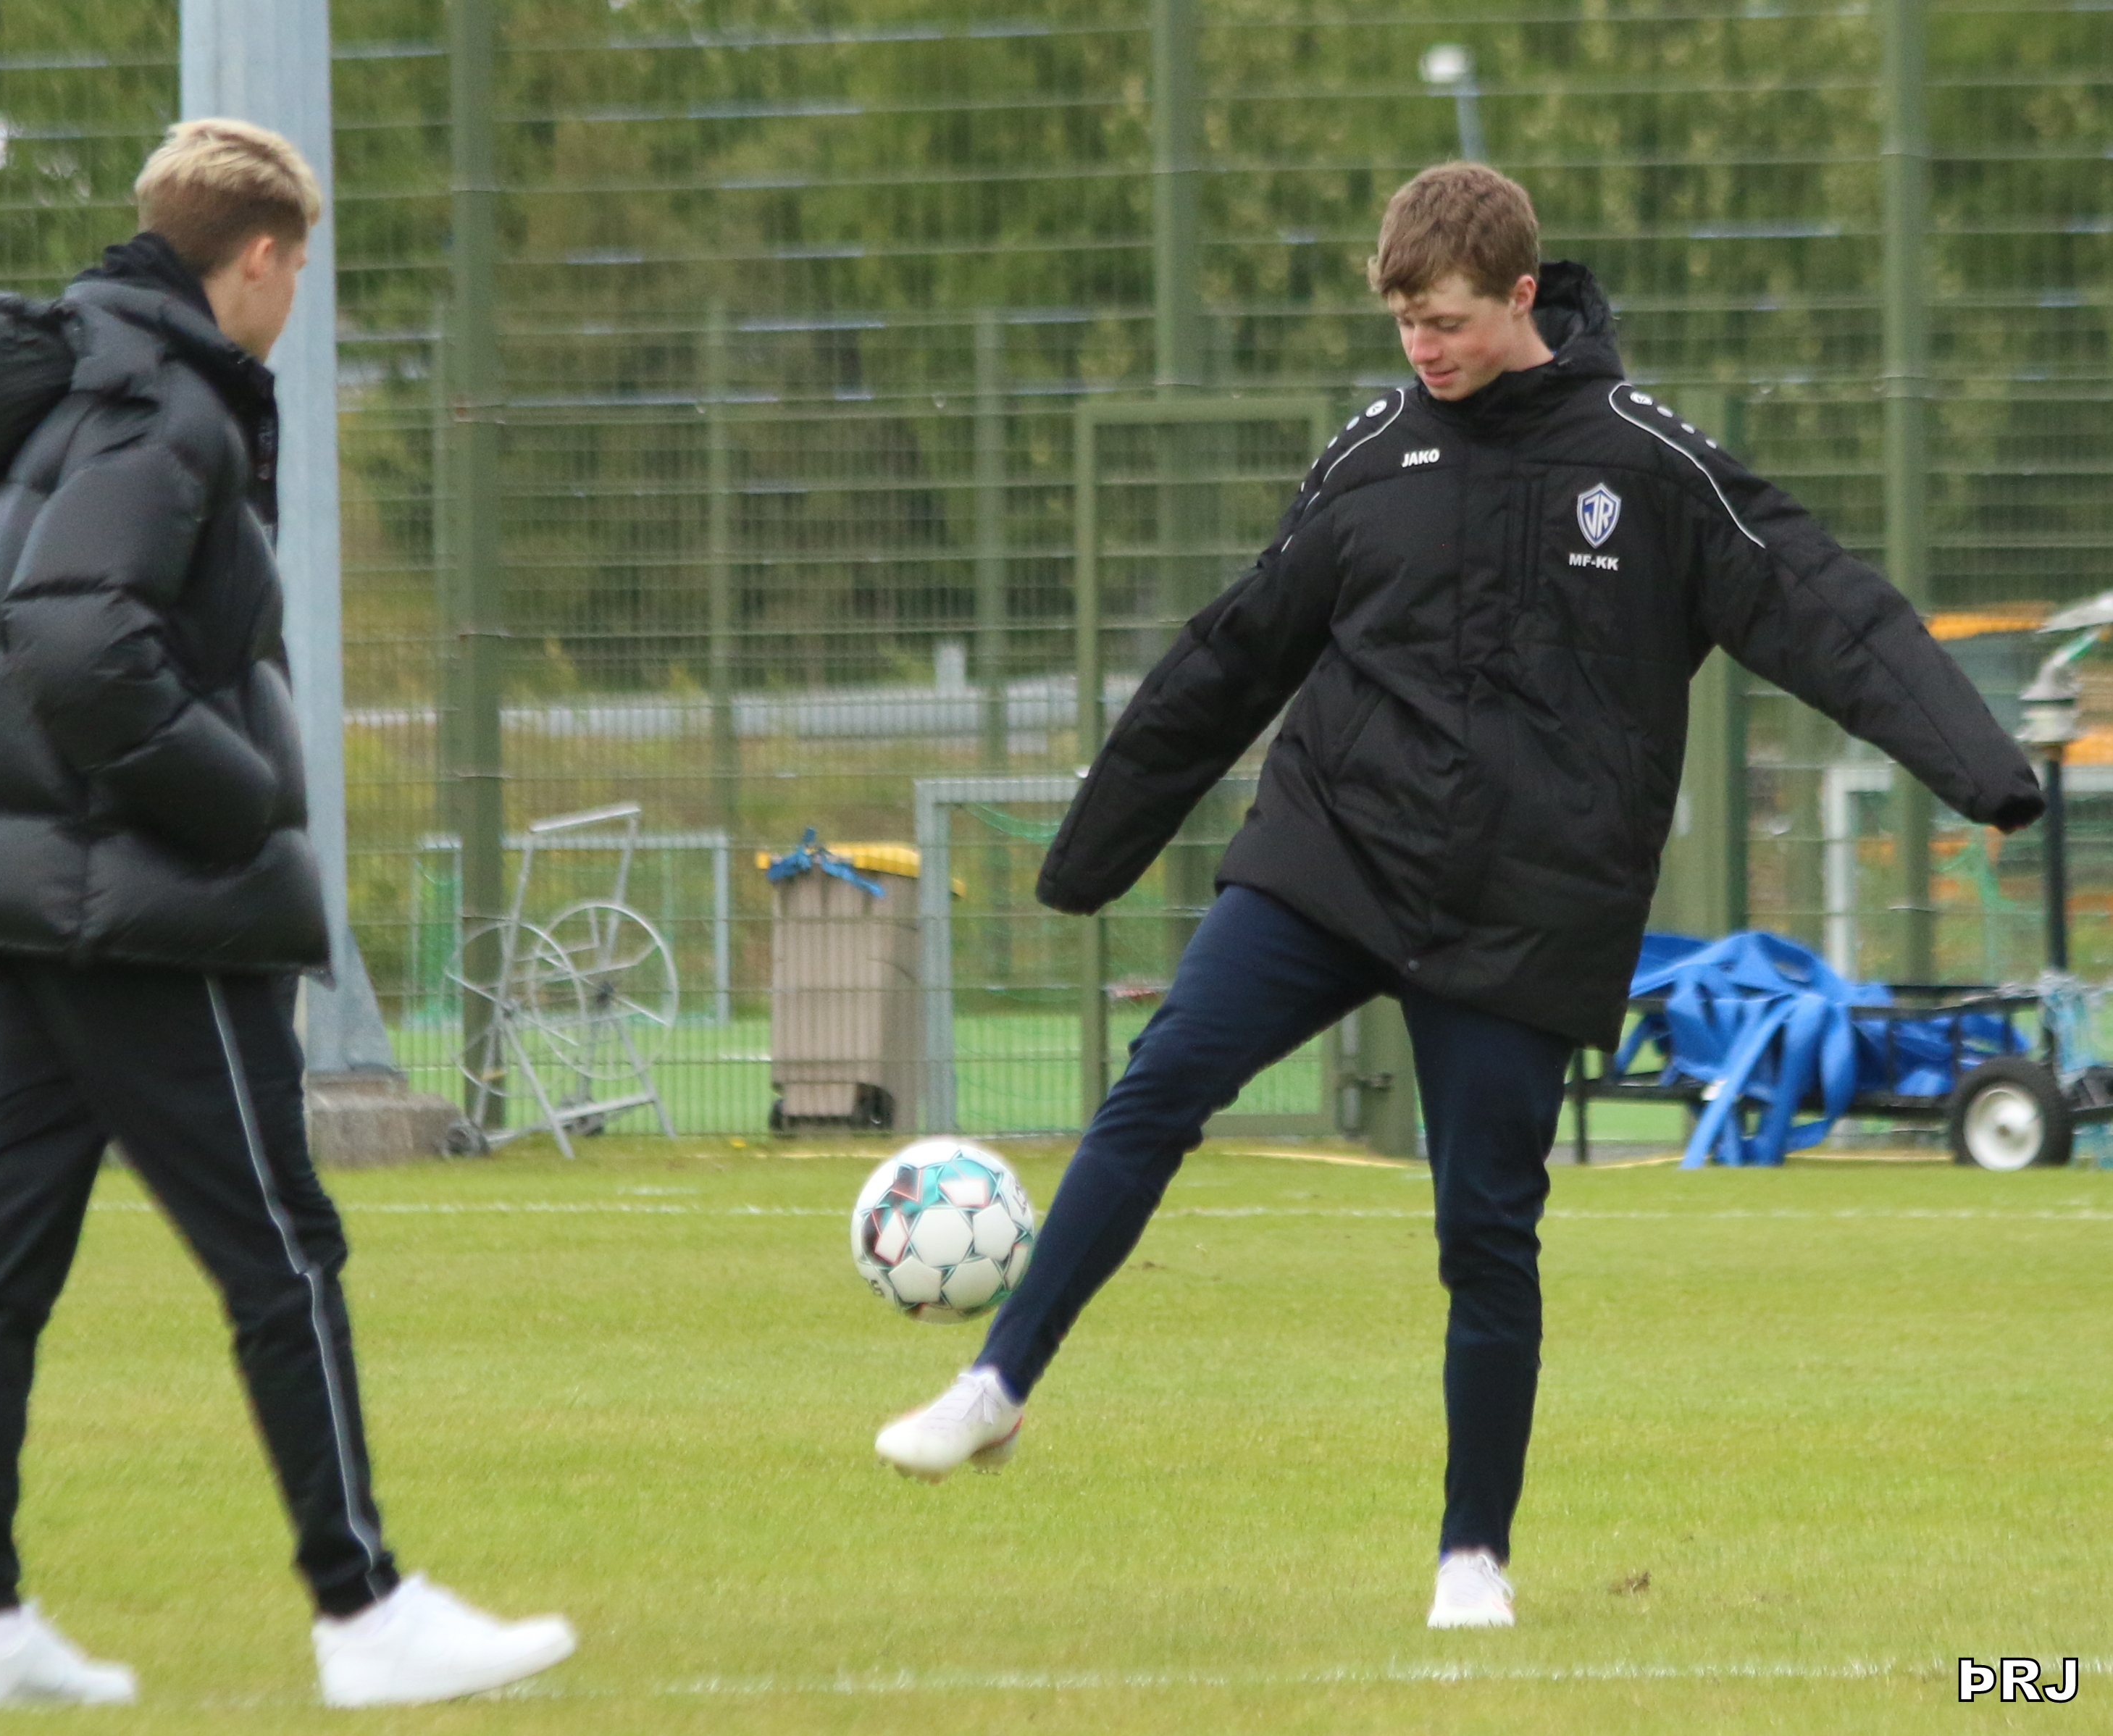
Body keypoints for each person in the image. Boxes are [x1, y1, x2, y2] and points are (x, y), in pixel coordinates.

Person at [870, 163, 2044, 1628]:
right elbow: (1232, 652)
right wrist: (1090, 852)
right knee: (1160, 1080)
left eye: (1448, 321)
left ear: (1522, 295)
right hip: (1331, 854)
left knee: (1485, 1229)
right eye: (1405, 323)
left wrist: (1987, 774)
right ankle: (995, 1383)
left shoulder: (1650, 467)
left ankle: (1471, 1559)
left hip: (1525, 905)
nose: (1423, 348)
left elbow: (1831, 610)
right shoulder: (1372, 456)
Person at [0, 118, 574, 1710]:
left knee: (6, 1261)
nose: (295, 297)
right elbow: (78, 638)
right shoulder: (168, 407)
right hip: (142, 906)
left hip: (54, 902)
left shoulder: (83, 389)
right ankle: (364, 1609)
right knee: (283, 1249)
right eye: (300, 268)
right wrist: (235, 802)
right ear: (259, 258)